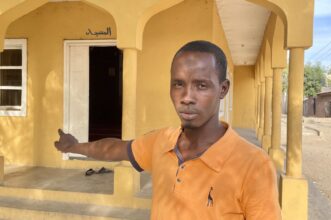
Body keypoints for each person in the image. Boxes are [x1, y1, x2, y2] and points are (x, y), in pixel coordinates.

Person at [55, 40, 281, 220]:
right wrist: (75, 146)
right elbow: (114, 149)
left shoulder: (254, 165)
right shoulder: (162, 141)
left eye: (201, 85)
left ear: (223, 89)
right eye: (178, 84)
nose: (187, 97)